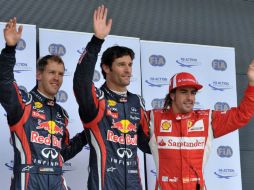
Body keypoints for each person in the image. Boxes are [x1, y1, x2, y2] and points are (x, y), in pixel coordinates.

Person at [0, 17, 87, 190]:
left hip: (56, 180)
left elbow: (63, 153)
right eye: (52, 72)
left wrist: (88, 134)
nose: (57, 78)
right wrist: (9, 50)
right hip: (27, 181)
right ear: (39, 75)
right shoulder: (24, 103)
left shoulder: (62, 114)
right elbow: (4, 83)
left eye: (61, 74)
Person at [73, 5, 150, 190]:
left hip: (133, 185)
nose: (128, 70)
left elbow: (146, 144)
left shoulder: (136, 102)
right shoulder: (97, 100)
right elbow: (81, 83)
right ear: (106, 68)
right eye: (121, 64)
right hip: (103, 184)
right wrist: (97, 41)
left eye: (130, 64)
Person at [148, 70, 254, 190]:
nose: (189, 98)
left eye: (193, 93)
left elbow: (242, 115)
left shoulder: (207, 119)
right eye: (184, 92)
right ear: (172, 95)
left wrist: (252, 84)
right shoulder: (154, 117)